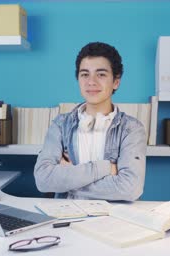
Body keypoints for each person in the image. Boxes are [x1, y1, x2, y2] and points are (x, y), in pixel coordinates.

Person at [34, 42, 146, 201]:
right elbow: (43, 180)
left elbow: (130, 188)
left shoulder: (131, 129)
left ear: (116, 81)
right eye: (85, 74)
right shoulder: (61, 125)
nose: (91, 82)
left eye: (101, 74)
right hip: (66, 217)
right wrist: (105, 168)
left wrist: (69, 181)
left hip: (112, 220)